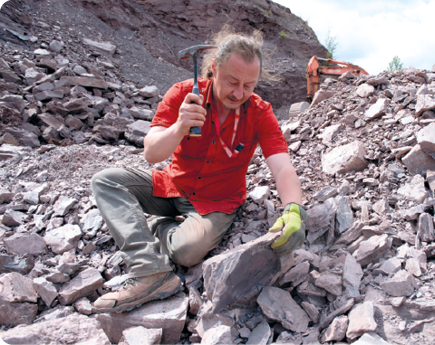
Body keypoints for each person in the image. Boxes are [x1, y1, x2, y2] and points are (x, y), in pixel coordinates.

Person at [91, 27, 307, 313]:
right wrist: (180, 126)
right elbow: (152, 153)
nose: (239, 92)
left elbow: (282, 168)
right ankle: (150, 272)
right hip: (172, 185)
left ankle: (158, 226)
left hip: (216, 202)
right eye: (232, 81)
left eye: (249, 85)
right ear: (214, 69)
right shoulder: (183, 94)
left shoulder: (260, 112)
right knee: (107, 181)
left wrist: (294, 210)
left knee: (187, 251)